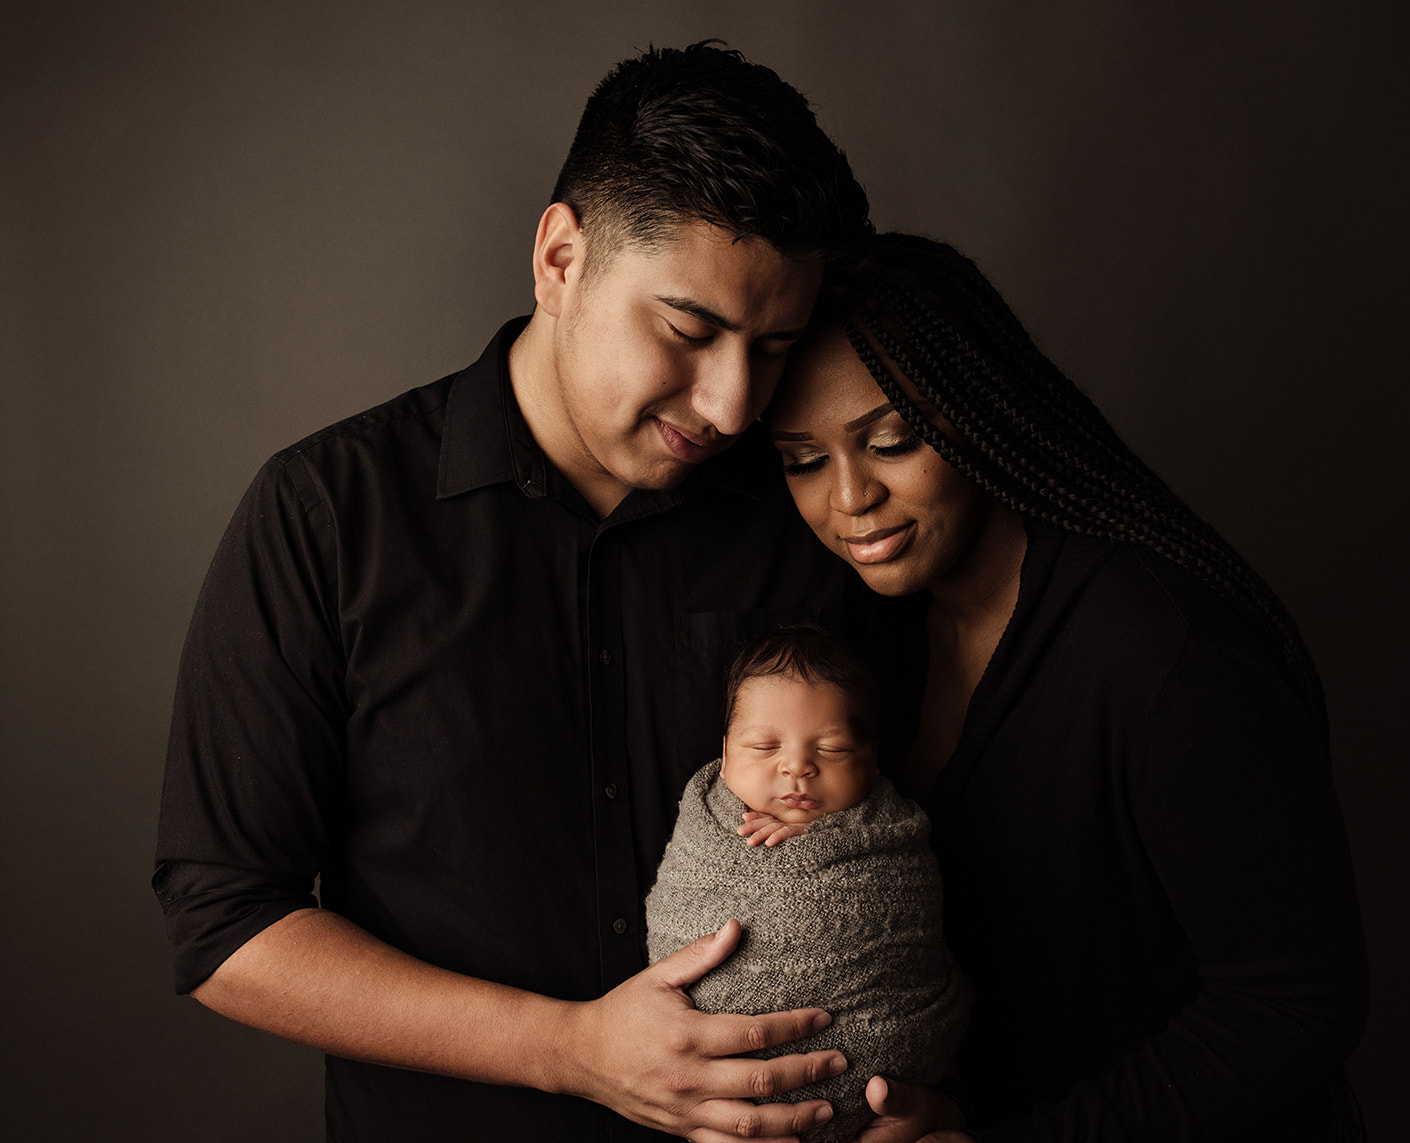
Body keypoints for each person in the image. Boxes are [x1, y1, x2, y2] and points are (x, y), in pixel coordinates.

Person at [153, 42, 878, 1142]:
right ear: (558, 257)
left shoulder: (806, 515)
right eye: (689, 330)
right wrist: (566, 1051)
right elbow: (226, 925)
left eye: (771, 347)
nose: (733, 403)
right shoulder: (325, 514)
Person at [765, 233, 1370, 1142]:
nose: (849, 496)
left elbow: (1296, 1004)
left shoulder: (1162, 650)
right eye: (803, 459)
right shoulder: (870, 638)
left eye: (890, 440)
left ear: (980, 407)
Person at [645, 625, 971, 1143]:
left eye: (834, 749)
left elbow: (911, 943)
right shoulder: (705, 828)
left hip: (885, 1100)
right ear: (725, 755)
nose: (797, 766)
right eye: (764, 745)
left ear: (873, 763)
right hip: (720, 1102)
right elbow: (677, 916)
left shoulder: (892, 838)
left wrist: (826, 838)